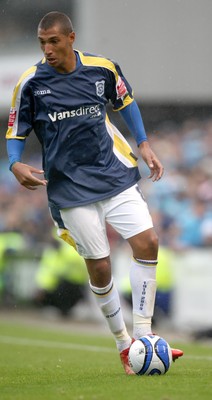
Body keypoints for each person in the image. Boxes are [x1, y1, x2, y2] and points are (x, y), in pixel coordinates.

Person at [5, 11, 183, 374]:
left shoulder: (102, 69)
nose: (47, 50)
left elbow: (126, 103)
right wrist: (14, 163)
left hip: (113, 173)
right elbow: (16, 130)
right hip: (69, 188)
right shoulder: (31, 83)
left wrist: (144, 144)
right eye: (42, 43)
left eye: (53, 41)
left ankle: (144, 337)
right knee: (100, 266)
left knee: (148, 242)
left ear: (71, 38)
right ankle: (122, 343)